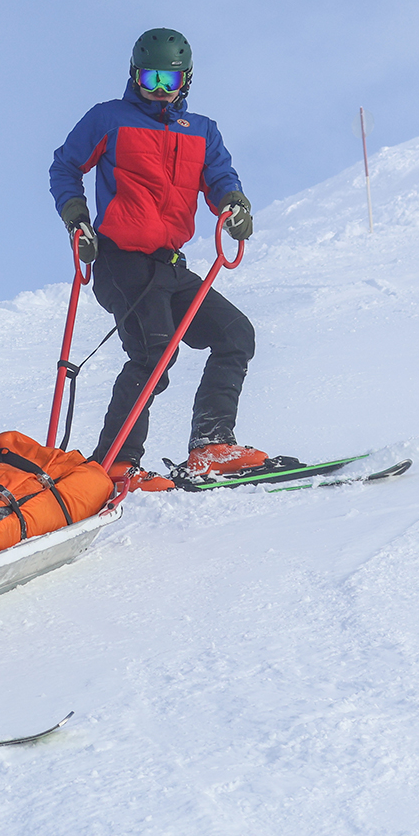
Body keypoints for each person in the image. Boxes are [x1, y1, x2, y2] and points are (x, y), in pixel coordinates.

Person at [48, 28, 263, 493]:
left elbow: (219, 177)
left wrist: (233, 204)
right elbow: (65, 166)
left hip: (170, 265)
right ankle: (115, 464)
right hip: (120, 261)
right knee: (153, 354)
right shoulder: (108, 119)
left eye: (170, 80)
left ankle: (211, 444)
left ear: (187, 80)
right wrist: (76, 218)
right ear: (134, 75)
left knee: (234, 335)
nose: (160, 90)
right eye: (150, 79)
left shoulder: (202, 130)